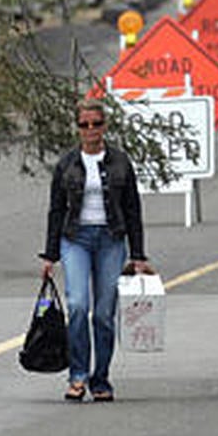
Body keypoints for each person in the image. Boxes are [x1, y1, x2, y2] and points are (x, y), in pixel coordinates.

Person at [41, 98, 153, 402]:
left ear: (105, 126)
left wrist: (138, 255)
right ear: (77, 128)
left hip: (110, 239)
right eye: (84, 124)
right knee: (77, 304)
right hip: (75, 238)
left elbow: (132, 209)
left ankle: (100, 377)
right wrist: (50, 255)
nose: (91, 130)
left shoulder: (120, 161)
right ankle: (77, 375)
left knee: (104, 314)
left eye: (96, 124)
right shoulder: (66, 164)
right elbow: (55, 209)